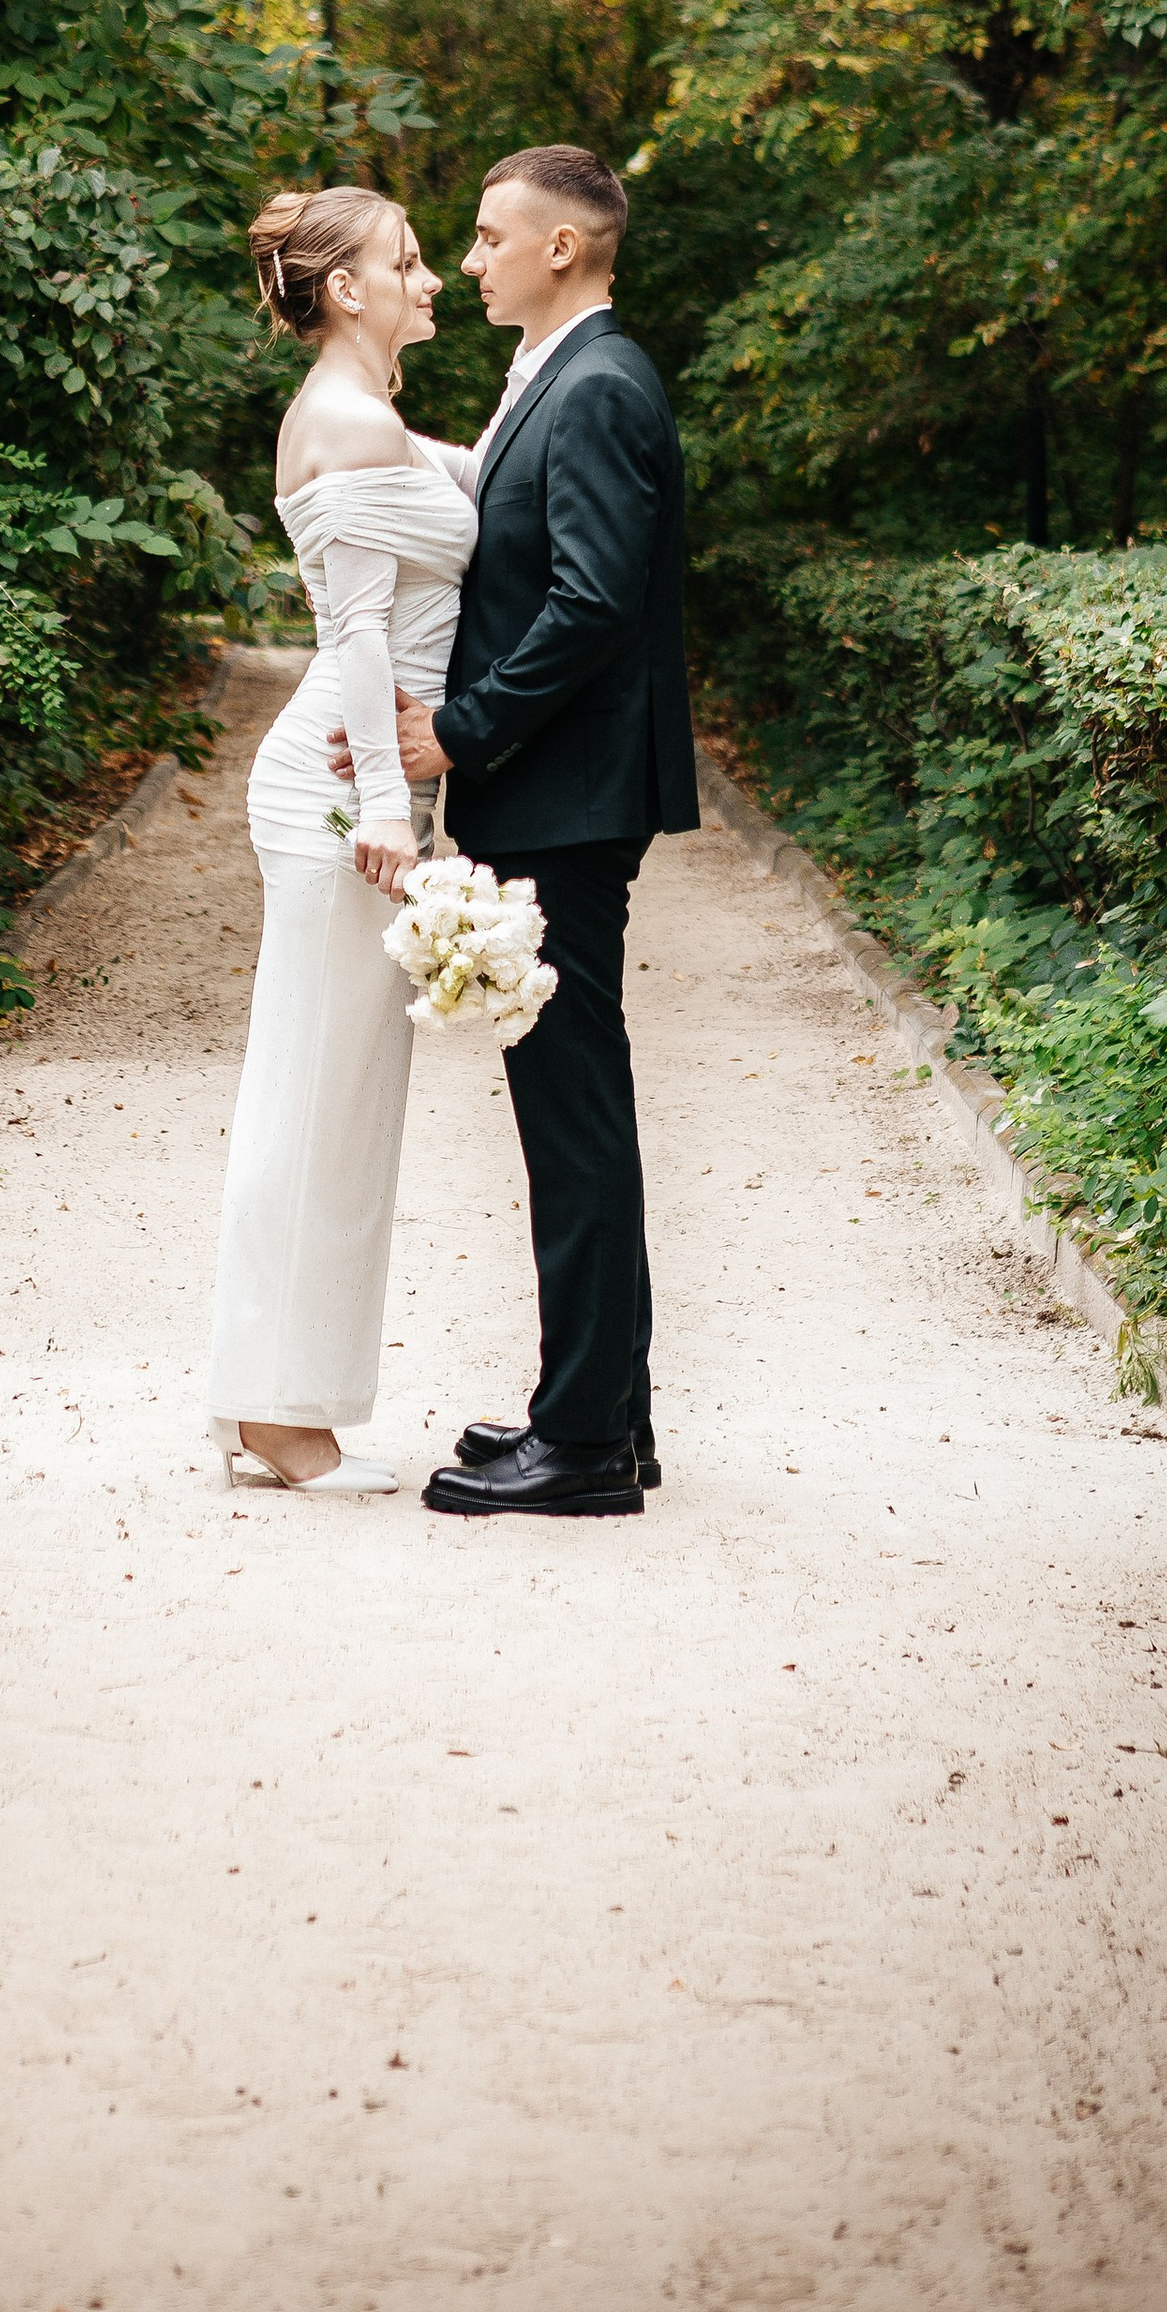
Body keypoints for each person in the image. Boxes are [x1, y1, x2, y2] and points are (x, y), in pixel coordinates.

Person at [332, 143, 697, 1519]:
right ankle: (602, 1416)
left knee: (576, 1115)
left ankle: (588, 1445)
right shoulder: (555, 377)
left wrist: (462, 728)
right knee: (572, 1108)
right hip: (561, 796)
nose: (470, 260)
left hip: (567, 800)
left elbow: (594, 603)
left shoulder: (599, 385)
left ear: (563, 248)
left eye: (489, 238)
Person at [205, 186, 477, 1495]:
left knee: (335, 1093)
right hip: (332, 793)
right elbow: (361, 635)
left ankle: (275, 1396)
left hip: (343, 781)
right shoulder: (352, 424)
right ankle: (274, 1413)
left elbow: (471, 484)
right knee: (317, 1096)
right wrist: (384, 803)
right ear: (351, 290)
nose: (430, 280)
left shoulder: (369, 421)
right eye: (408, 263)